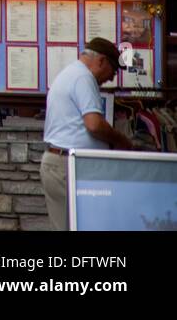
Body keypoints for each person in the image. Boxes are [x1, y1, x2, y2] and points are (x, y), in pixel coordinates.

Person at [40, 38, 133, 230]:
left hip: (61, 163)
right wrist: (122, 141)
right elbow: (94, 124)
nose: (110, 79)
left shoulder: (71, 73)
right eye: (113, 71)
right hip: (66, 166)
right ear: (101, 61)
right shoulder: (84, 78)